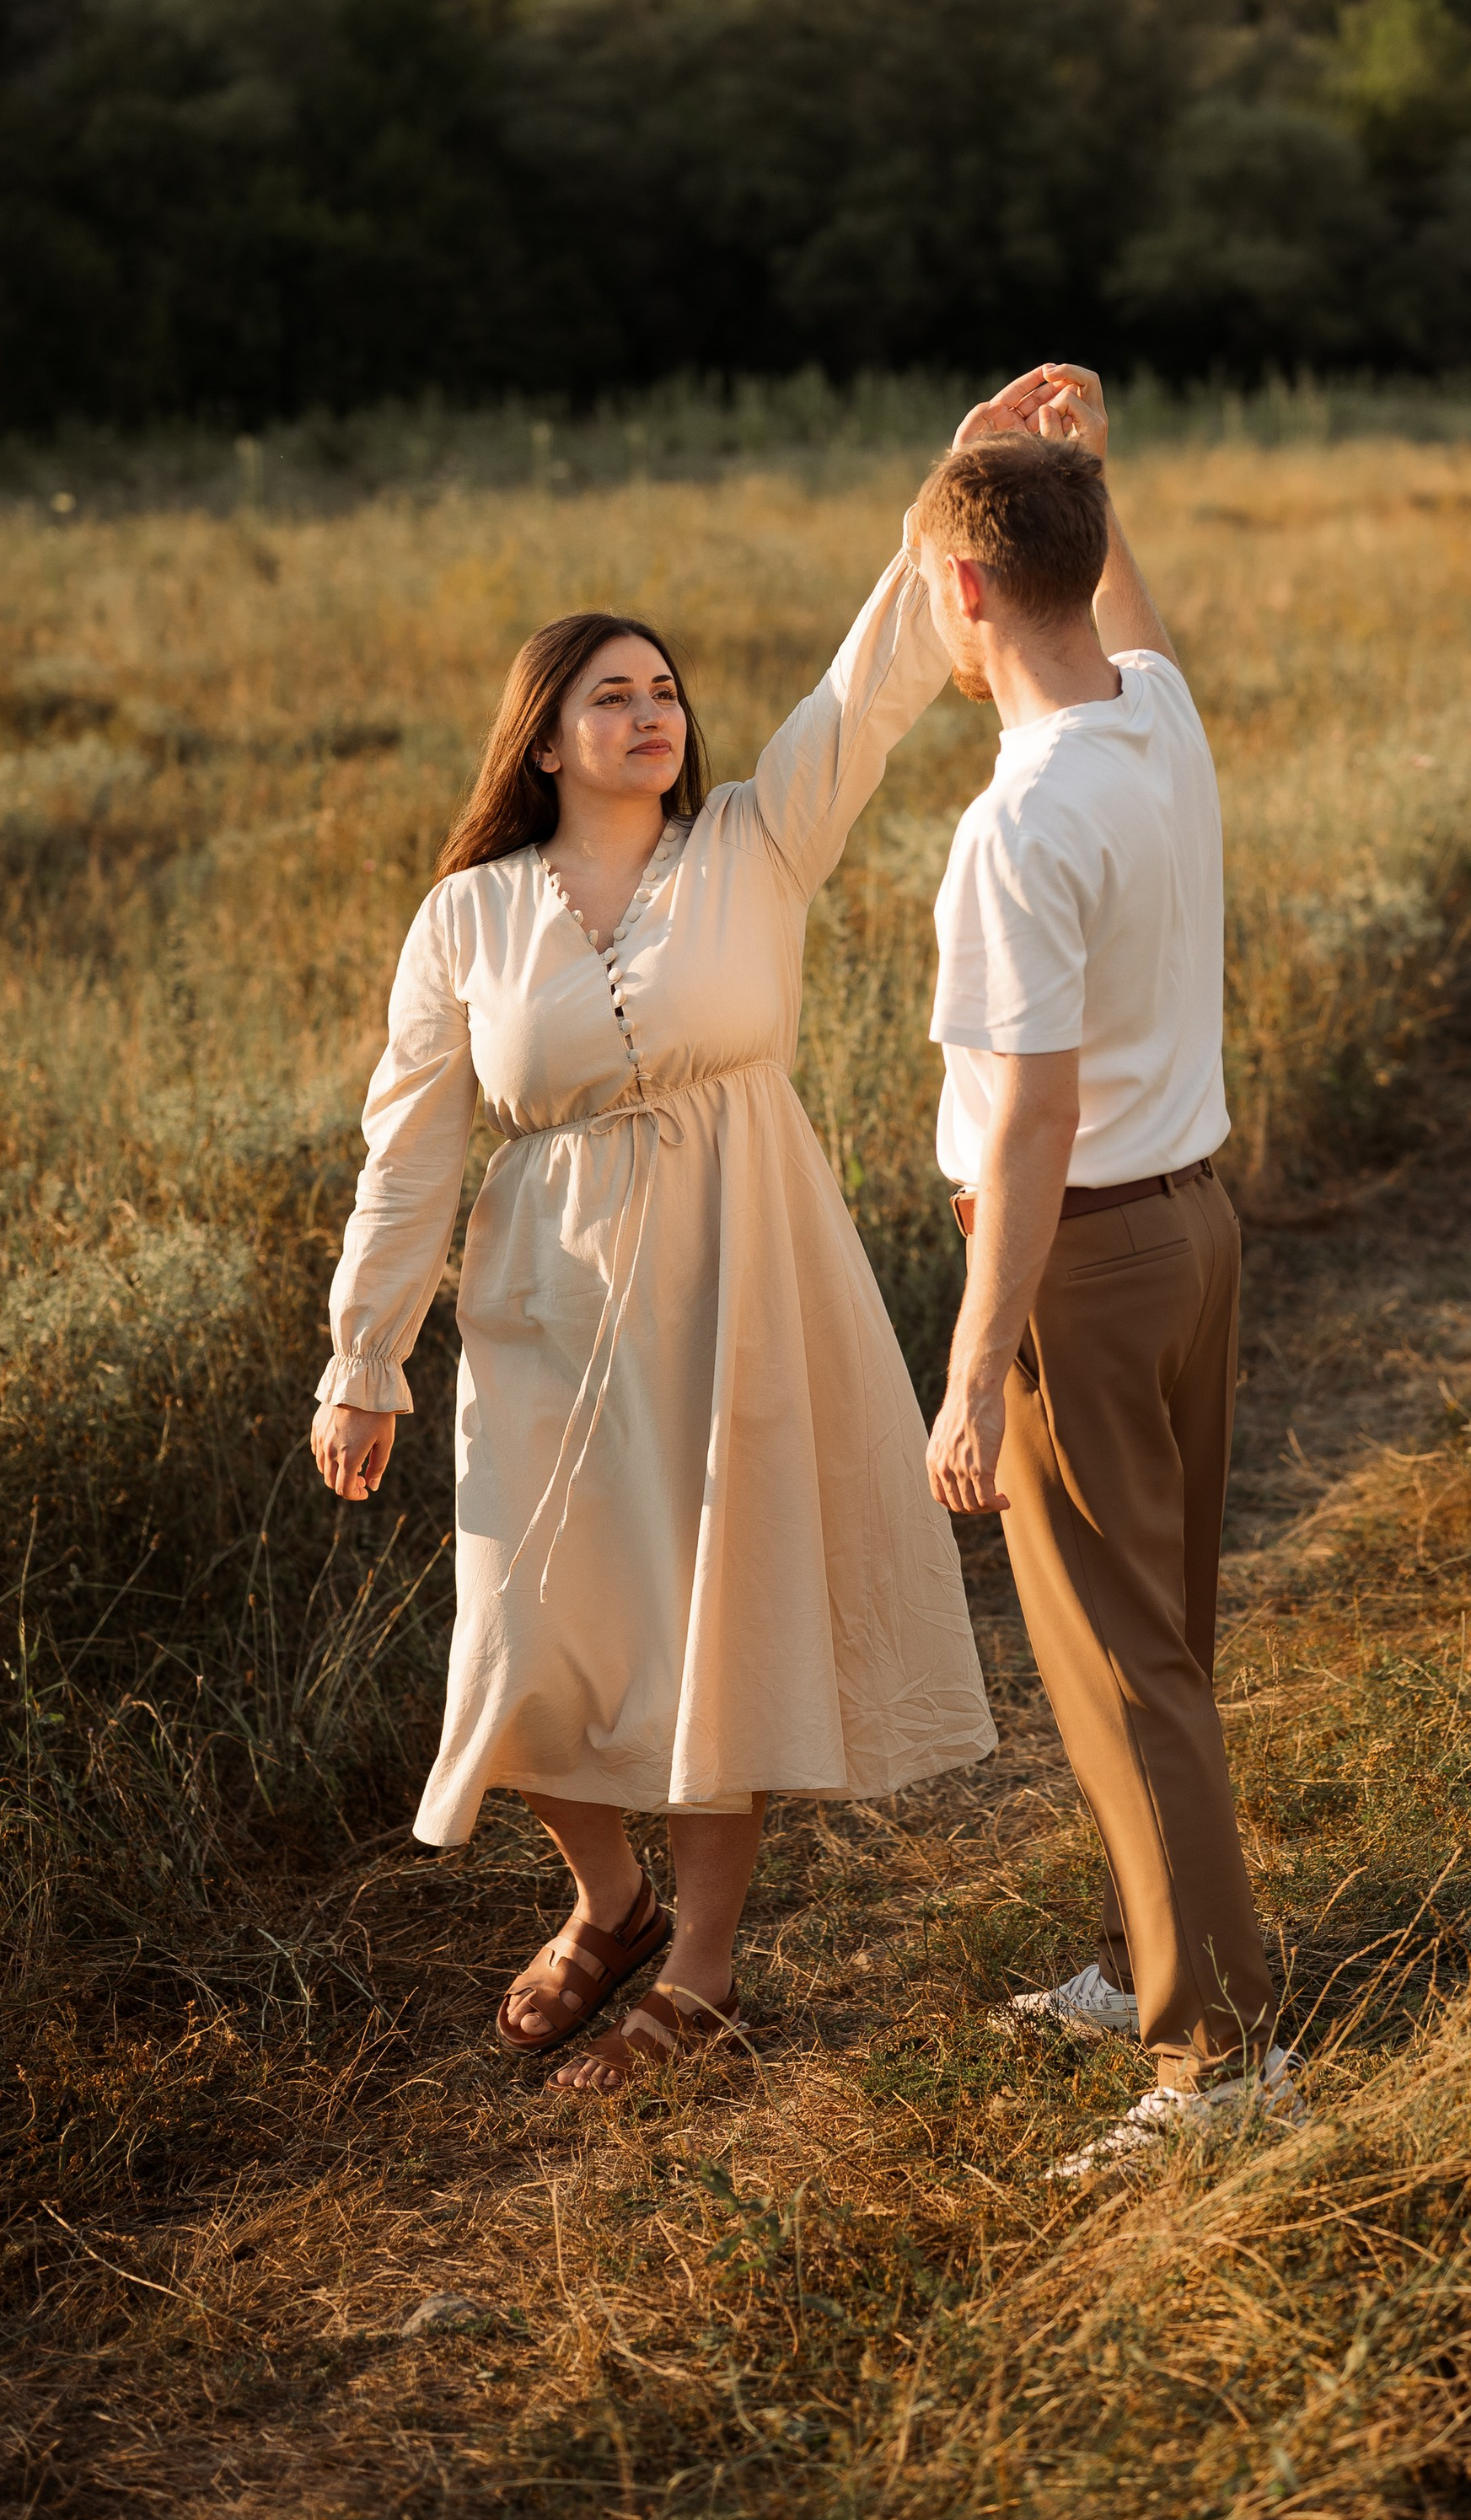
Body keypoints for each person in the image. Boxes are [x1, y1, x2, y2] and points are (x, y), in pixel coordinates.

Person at [309, 489, 996, 2091]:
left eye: (665, 690)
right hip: (541, 1304)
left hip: (738, 1280)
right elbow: (408, 1153)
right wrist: (365, 1358)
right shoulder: (466, 918)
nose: (650, 713)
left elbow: (870, 683)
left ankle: (700, 1969)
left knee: (712, 1622)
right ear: (541, 742)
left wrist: (945, 506)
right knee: (525, 1620)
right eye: (609, 695)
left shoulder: (756, 844)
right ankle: (607, 1899)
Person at [916, 364, 1296, 2178]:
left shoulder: (1011, 826)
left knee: (1123, 1660)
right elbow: (1115, 608)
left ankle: (1215, 2064)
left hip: (1079, 1258)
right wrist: (1072, 474)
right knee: (1163, 1644)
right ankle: (1161, 1946)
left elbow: (1025, 1130)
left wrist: (972, 1363)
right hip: (1196, 1232)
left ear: (964, 595)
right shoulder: (1156, 720)